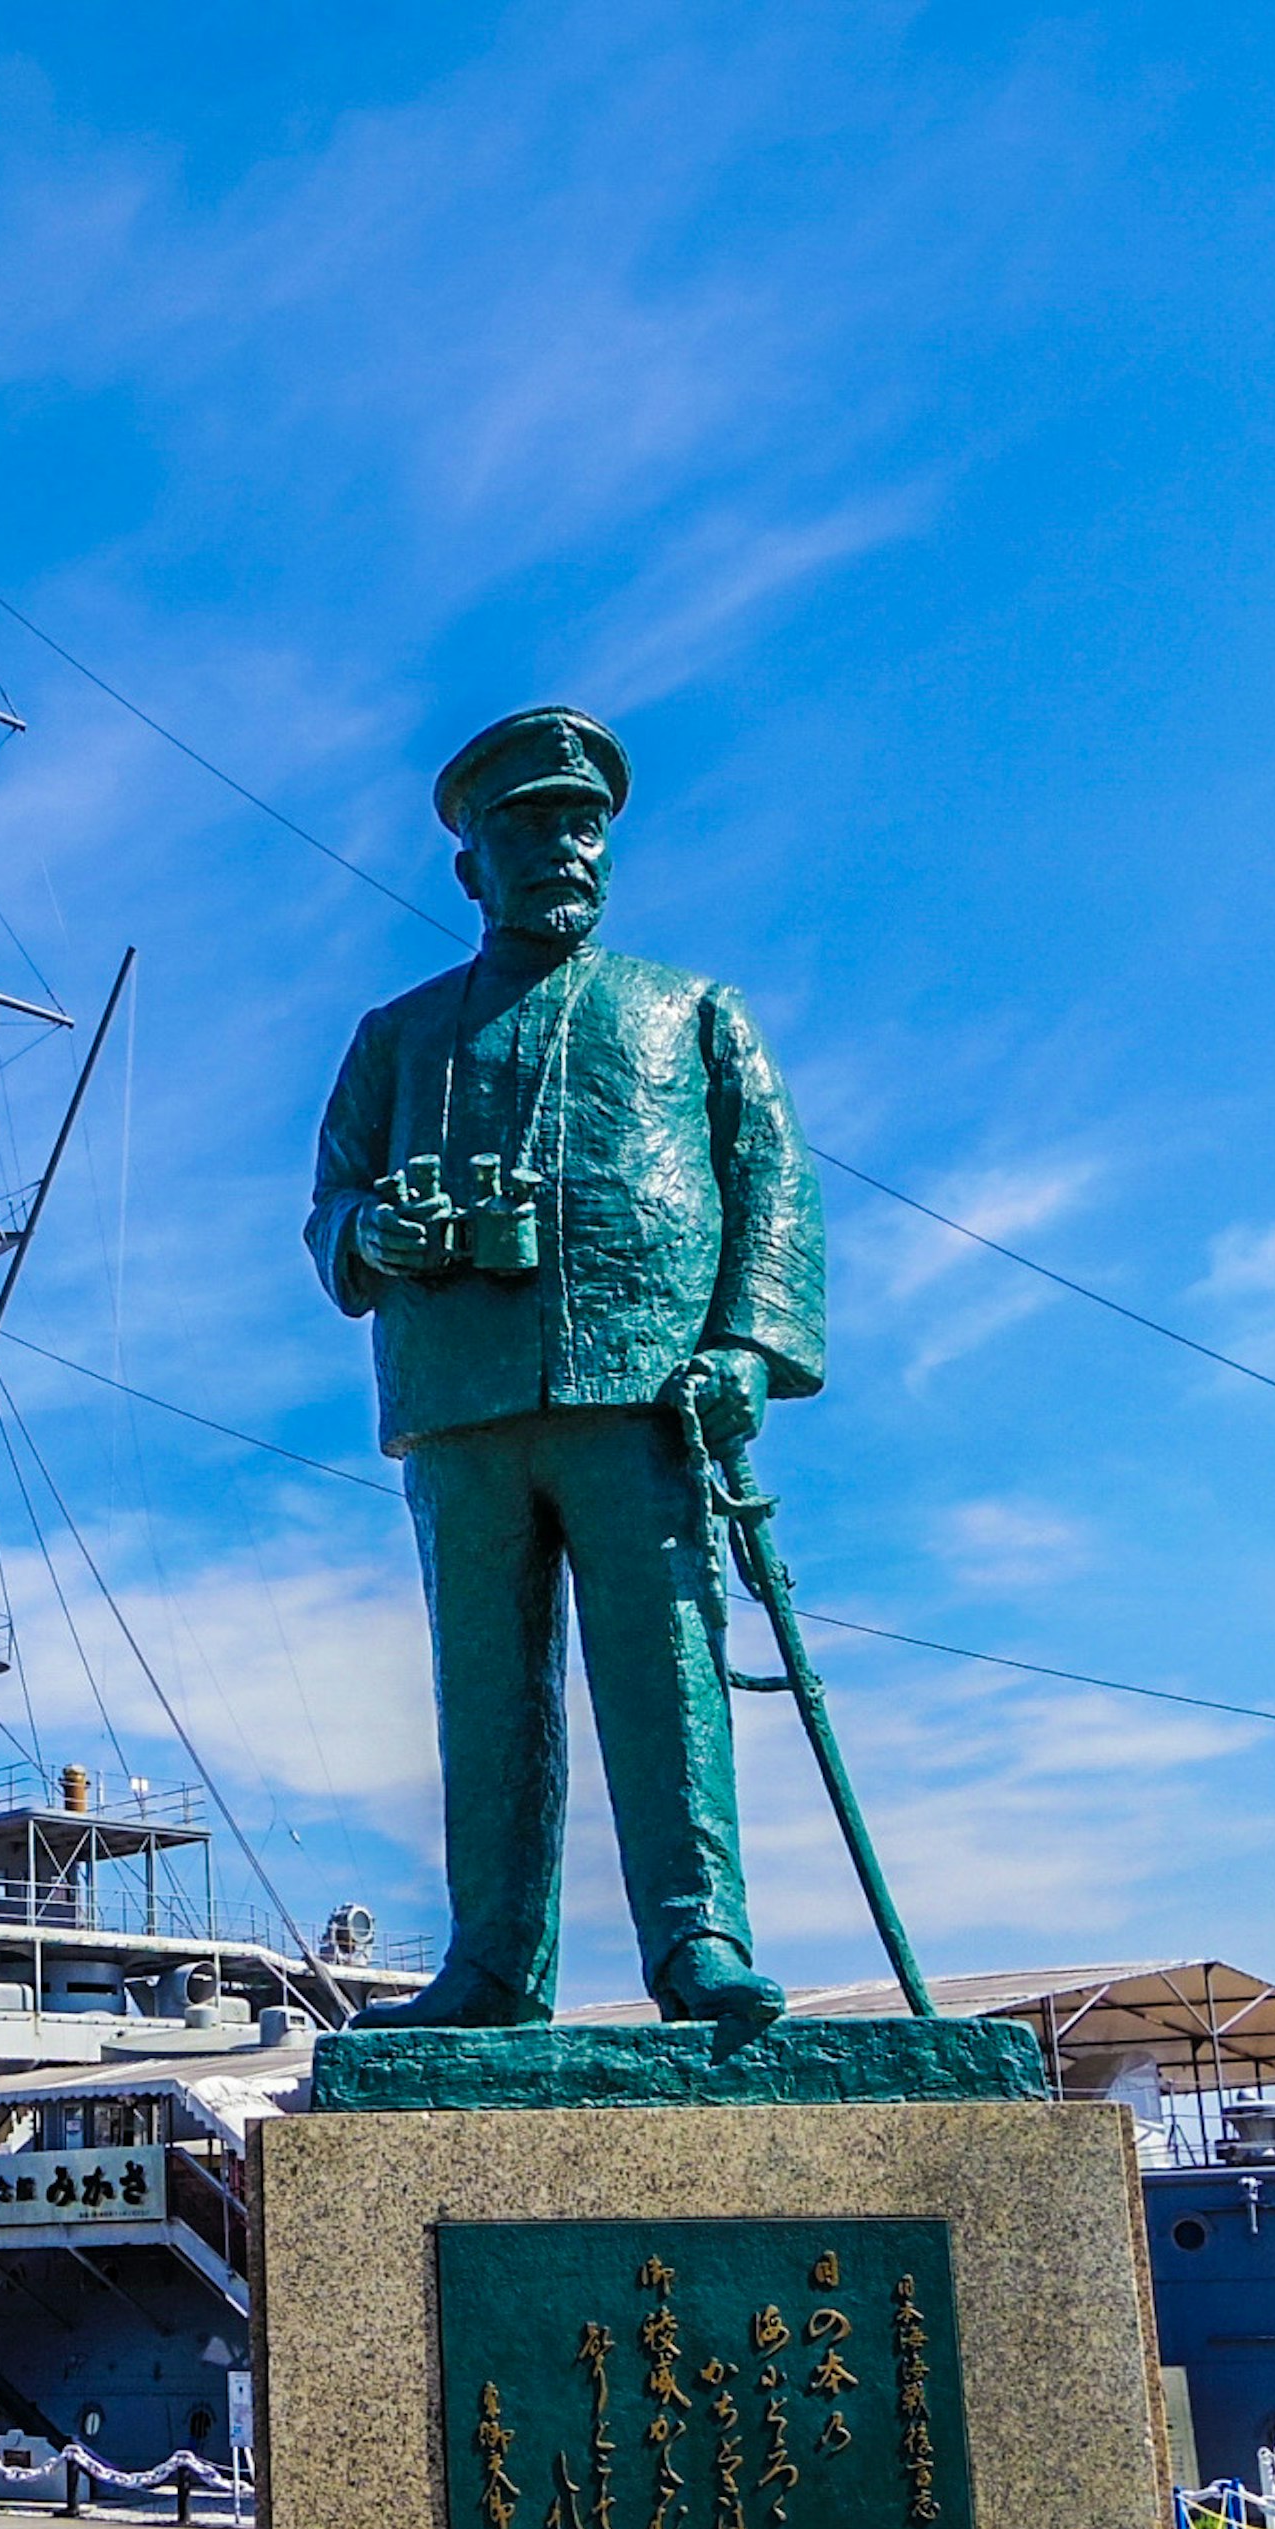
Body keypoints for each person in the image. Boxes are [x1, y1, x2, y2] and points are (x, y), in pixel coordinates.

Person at [304, 707, 822, 2035]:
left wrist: (748, 1345)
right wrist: (374, 1232)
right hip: (462, 1404)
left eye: (584, 824)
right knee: (486, 1700)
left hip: (644, 1393)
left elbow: (773, 1188)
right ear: (471, 863)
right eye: (529, 826)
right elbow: (330, 1213)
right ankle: (492, 1965)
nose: (565, 847)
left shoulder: (691, 1011)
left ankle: (700, 1942)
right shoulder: (398, 1036)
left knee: (665, 1676)